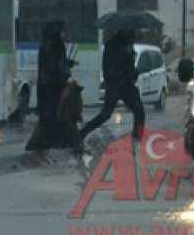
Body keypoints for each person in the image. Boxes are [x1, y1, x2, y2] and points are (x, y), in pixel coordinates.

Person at [80, 29, 145, 149]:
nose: (135, 36)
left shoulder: (127, 45)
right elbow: (112, 68)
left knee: (139, 111)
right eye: (133, 33)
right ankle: (81, 134)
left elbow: (130, 68)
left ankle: (138, 138)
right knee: (105, 115)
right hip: (116, 85)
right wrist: (126, 55)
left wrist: (133, 69)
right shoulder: (113, 46)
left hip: (126, 85)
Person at [26, 21, 75, 151]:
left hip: (44, 85)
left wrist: (68, 63)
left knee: (47, 115)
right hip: (54, 85)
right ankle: (58, 141)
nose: (65, 33)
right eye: (63, 31)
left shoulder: (44, 44)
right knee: (59, 112)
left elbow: (50, 63)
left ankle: (44, 141)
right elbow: (59, 64)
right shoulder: (58, 44)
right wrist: (67, 77)